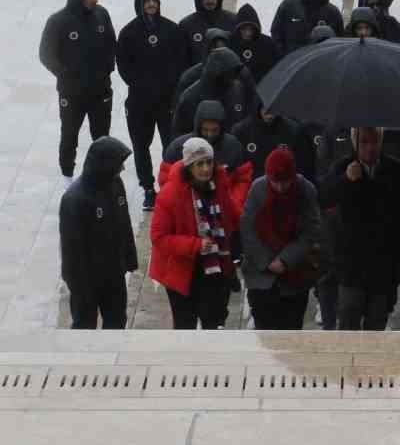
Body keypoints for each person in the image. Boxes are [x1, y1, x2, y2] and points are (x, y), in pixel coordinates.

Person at [320, 127, 400, 330]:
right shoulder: (342, 167)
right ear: (355, 142)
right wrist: (347, 180)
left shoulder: (397, 171)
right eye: (364, 142)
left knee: (377, 323)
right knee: (348, 321)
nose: (370, 148)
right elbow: (325, 198)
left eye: (374, 142)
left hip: (384, 264)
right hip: (351, 264)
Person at [150, 137, 242, 329]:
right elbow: (159, 237)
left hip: (214, 266)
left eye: (209, 162)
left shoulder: (220, 185)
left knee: (214, 321)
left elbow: (233, 217)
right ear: (189, 167)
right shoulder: (170, 194)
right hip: (181, 270)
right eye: (199, 164)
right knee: (185, 326)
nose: (205, 169)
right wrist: (195, 244)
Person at [39, 0, 116, 181]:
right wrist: (66, 75)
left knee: (101, 137)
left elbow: (111, 43)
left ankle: (102, 174)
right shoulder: (58, 21)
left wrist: (108, 68)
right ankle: (67, 176)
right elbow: (46, 54)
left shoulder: (102, 15)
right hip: (72, 93)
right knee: (69, 135)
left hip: (100, 91)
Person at [115, 0, 184, 209]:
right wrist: (142, 84)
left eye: (154, 0)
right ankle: (147, 188)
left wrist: (169, 85)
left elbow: (179, 60)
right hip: (139, 102)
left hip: (165, 101)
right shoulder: (128, 33)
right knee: (141, 146)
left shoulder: (171, 30)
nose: (151, 5)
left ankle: (171, 184)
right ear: (140, 5)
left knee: (170, 145)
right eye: (147, 1)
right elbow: (124, 65)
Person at [240, 146, 322, 330]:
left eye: (285, 182)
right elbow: (247, 228)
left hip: (295, 276)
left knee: (291, 330)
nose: (280, 187)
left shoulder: (305, 190)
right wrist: (267, 261)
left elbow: (312, 230)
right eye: (275, 182)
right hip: (261, 277)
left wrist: (286, 259)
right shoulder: (258, 189)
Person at [59, 137, 138, 329]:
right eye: (119, 165)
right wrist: (78, 287)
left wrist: (129, 258)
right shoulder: (75, 199)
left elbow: (123, 222)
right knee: (84, 326)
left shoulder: (115, 184)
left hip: (114, 273)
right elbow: (71, 250)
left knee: (117, 321)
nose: (122, 169)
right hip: (86, 279)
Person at [173, 47, 256, 144]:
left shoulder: (237, 89)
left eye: (234, 72)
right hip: (201, 151)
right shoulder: (190, 97)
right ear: (217, 73)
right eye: (229, 73)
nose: (233, 77)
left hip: (232, 150)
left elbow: (246, 119)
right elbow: (179, 133)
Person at [271, 0, 344, 53]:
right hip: (291, 55)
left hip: (318, 56)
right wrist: (281, 52)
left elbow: (340, 38)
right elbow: (276, 30)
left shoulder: (332, 12)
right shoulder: (289, 4)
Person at [178, 0, 237, 67]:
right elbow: (182, 57)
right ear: (199, 0)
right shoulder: (186, 25)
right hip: (198, 75)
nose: (210, 1)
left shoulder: (232, 20)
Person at [228, 5, 281, 83]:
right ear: (238, 29)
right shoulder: (230, 42)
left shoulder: (268, 44)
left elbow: (276, 68)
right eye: (244, 29)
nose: (248, 33)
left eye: (251, 29)